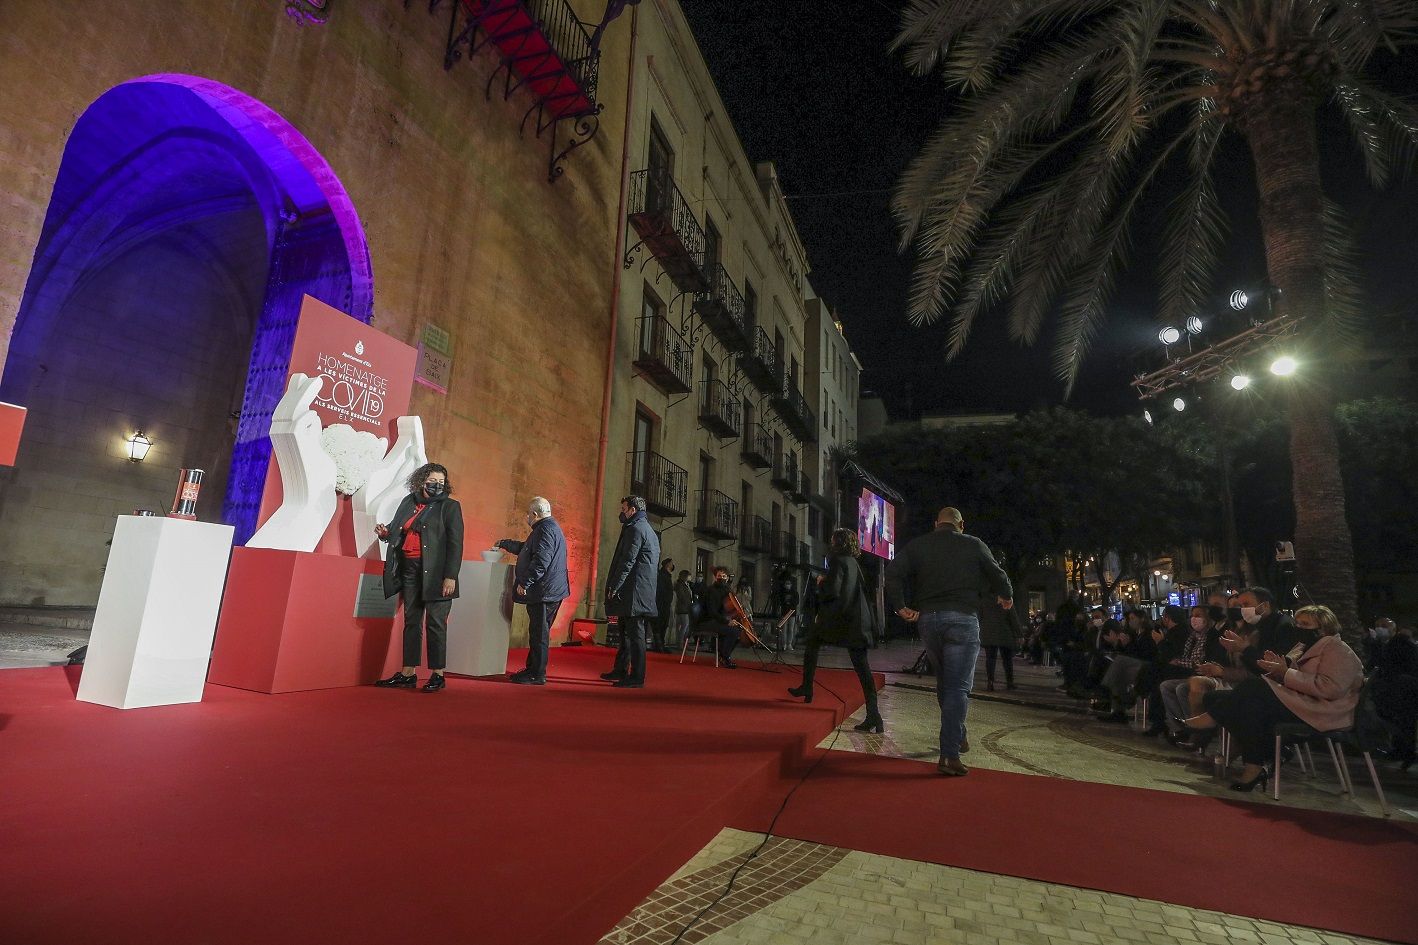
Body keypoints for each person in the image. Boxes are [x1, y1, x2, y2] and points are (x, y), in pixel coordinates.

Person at [886, 506, 1013, 777]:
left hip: (929, 620)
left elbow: (894, 572)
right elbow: (998, 574)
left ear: (936, 524)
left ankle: (959, 734)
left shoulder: (919, 545)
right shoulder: (974, 545)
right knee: (958, 688)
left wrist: (900, 606)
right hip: (963, 620)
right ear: (961, 525)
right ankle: (949, 754)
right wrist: (1006, 595)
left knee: (945, 683)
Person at [1185, 605, 1363, 792]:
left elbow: (1330, 688)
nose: (1298, 627)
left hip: (1322, 711)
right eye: (1297, 622)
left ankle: (1212, 721)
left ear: (1323, 627)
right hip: (1302, 702)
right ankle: (1255, 766)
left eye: (1305, 624)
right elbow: (1291, 674)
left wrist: (1285, 673)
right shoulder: (1303, 647)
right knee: (1245, 704)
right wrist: (1278, 670)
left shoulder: (1338, 649)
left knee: (1253, 689)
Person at [374, 463, 464, 692]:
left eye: (441, 483)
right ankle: (408, 673)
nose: (437, 486)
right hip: (409, 569)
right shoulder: (408, 502)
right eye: (433, 481)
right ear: (422, 480)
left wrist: (450, 576)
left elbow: (455, 544)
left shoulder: (450, 507)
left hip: (436, 573)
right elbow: (396, 529)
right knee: (411, 622)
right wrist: (385, 533)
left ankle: (437, 674)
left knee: (435, 623)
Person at [789, 528, 881, 731]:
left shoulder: (838, 561)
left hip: (844, 621)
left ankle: (807, 687)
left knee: (812, 643)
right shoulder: (854, 563)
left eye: (832, 539)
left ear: (838, 542)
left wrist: (822, 582)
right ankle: (874, 714)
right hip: (857, 621)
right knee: (863, 668)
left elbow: (833, 591)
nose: (830, 542)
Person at [495, 496, 568, 686]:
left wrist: (525, 582)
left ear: (535, 514)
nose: (527, 517)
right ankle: (532, 669)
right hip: (548, 590)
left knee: (539, 633)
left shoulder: (545, 530)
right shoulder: (547, 528)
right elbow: (528, 550)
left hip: (544, 592)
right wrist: (506, 543)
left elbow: (541, 560)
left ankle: (537, 674)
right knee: (538, 632)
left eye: (528, 513)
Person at [601, 496, 660, 688]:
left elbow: (628, 561)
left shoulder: (636, 529)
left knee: (635, 636)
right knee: (626, 633)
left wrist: (615, 586)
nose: (622, 512)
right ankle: (620, 669)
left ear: (632, 510)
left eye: (624, 509)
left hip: (634, 592)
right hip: (637, 591)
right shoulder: (646, 529)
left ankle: (636, 676)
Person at [694, 565, 744, 668]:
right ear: (715, 577)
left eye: (724, 576)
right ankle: (724, 657)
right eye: (719, 576)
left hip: (717, 620)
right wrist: (727, 622)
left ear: (727, 577)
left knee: (740, 632)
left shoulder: (726, 590)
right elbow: (712, 612)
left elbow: (726, 609)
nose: (722, 578)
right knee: (733, 632)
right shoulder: (711, 591)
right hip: (707, 621)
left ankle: (723, 654)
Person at [978, 591, 1021, 692]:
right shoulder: (1006, 600)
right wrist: (1019, 634)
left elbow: (979, 617)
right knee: (1007, 659)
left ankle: (990, 682)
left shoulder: (983, 601)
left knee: (990, 659)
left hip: (989, 634)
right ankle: (1010, 683)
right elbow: (1013, 618)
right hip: (1004, 633)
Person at [652, 557, 675, 653]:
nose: (673, 565)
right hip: (661, 604)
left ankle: (661, 643)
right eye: (671, 563)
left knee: (664, 624)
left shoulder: (667, 575)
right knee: (659, 624)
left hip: (666, 604)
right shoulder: (662, 575)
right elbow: (661, 591)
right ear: (667, 565)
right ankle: (658, 644)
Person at [672, 569, 695, 650]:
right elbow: (682, 596)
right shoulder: (680, 585)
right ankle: (680, 643)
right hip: (683, 608)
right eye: (689, 575)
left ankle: (683, 642)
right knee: (684, 626)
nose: (690, 577)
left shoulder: (686, 584)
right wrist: (689, 603)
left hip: (685, 608)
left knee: (684, 626)